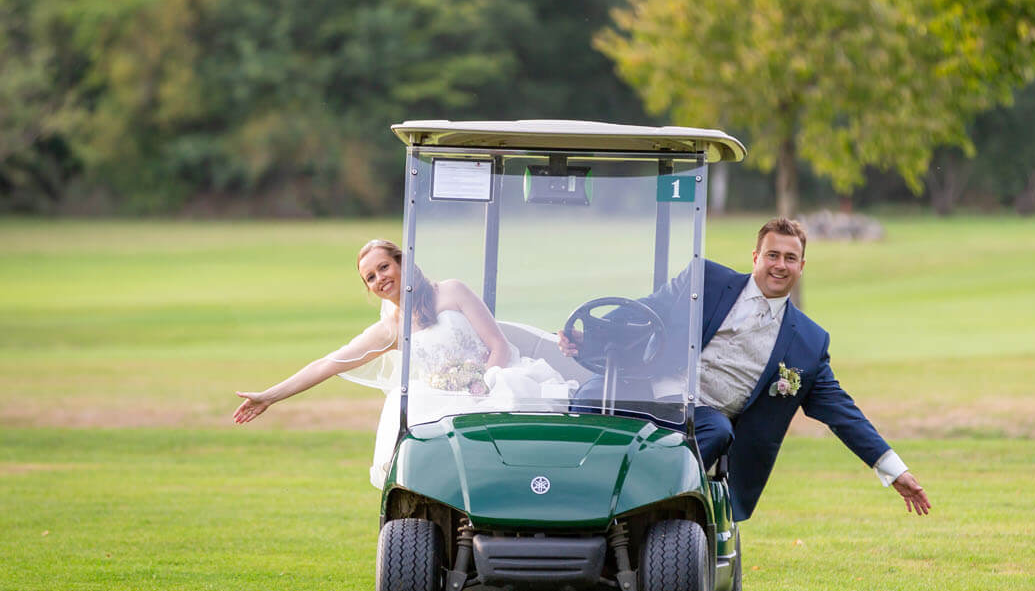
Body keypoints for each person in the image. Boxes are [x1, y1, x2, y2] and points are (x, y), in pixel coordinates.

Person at [564, 217, 931, 522]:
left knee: (719, 429)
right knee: (589, 397)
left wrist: (893, 469)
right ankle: (570, 494)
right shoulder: (705, 279)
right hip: (653, 393)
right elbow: (647, 310)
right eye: (772, 254)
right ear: (756, 256)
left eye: (790, 258)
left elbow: (843, 414)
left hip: (705, 420)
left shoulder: (808, 342)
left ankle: (644, 504)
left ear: (801, 267)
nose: (780, 265)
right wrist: (590, 336)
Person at [232, 238, 515, 425]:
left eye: (384, 267)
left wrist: (482, 393)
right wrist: (269, 396)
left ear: (401, 262)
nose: (380, 278)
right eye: (371, 277)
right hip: (446, 408)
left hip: (497, 387)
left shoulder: (452, 291)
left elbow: (498, 345)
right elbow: (327, 364)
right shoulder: (389, 330)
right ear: (368, 288)